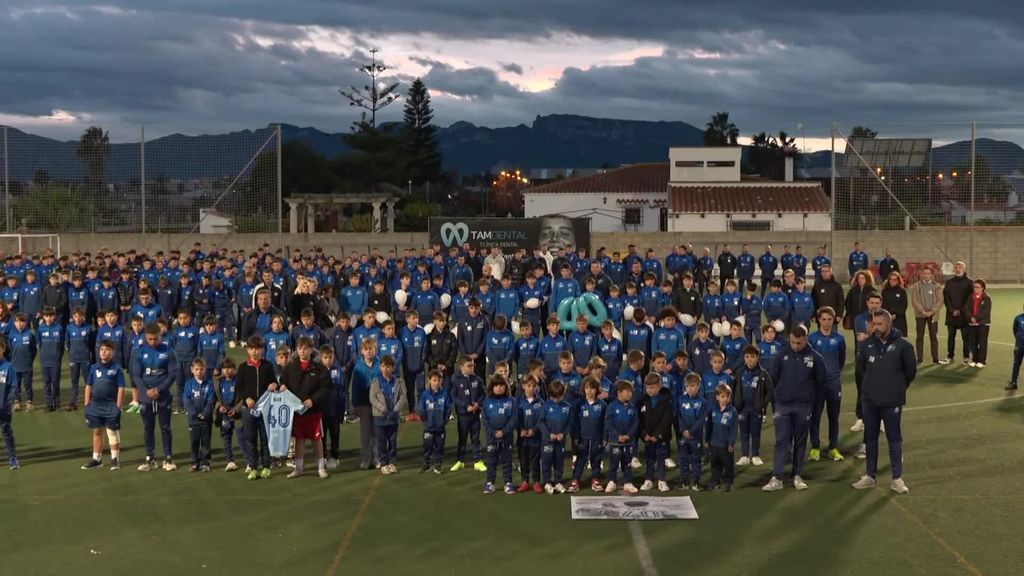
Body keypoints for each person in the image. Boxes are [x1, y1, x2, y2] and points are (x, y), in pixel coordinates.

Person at [852, 310, 916, 494]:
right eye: (874, 324)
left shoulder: (903, 346)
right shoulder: (866, 345)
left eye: (880, 324)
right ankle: (870, 476)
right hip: (870, 400)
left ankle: (897, 478)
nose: (876, 327)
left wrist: (896, 387)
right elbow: (861, 368)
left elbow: (910, 372)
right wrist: (869, 387)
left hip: (891, 401)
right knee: (870, 438)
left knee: (894, 439)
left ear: (889, 324)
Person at [762, 325, 826, 492]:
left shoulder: (816, 358)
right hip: (783, 405)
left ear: (805, 340)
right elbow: (772, 380)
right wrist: (773, 402)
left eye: (799, 342)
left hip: (804, 406)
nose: (795, 345)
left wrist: (815, 407)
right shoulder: (781, 355)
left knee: (800, 442)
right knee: (782, 441)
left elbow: (821, 385)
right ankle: (777, 477)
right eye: (792, 342)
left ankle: (797, 475)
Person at [131, 323, 179, 472]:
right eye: (150, 339)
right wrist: (145, 391)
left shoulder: (169, 351)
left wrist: (159, 389)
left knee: (165, 428)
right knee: (148, 428)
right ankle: (150, 459)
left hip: (163, 396)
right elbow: (136, 375)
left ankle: (168, 458)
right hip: (146, 398)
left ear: (161, 336)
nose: (153, 342)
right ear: (146, 337)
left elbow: (172, 374)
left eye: (155, 339)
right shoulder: (139, 352)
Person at [281, 337, 331, 479]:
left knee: (317, 439)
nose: (303, 351)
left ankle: (321, 467)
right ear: (297, 349)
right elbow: (284, 381)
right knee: (299, 439)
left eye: (306, 348)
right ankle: (299, 468)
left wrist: (313, 400)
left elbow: (326, 388)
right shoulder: (291, 366)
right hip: (296, 411)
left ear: (311, 349)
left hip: (313, 410)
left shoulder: (319, 367)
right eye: (300, 348)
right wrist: (282, 385)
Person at [808, 307, 847, 462]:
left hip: (833, 383)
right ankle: (815, 447)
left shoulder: (839, 339)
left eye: (829, 319)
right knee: (815, 416)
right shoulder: (812, 339)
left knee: (834, 416)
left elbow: (841, 359)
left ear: (833, 320)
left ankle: (833, 447)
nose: (826, 322)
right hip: (817, 385)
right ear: (818, 320)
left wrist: (834, 373)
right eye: (823, 319)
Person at [236, 336, 276, 480]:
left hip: (265, 409)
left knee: (266, 439)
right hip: (248, 410)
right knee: (250, 439)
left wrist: (274, 385)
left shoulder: (268, 366)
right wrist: (246, 398)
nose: (255, 352)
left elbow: (273, 382)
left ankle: (266, 466)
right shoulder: (242, 367)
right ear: (248, 350)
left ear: (262, 350)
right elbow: (238, 388)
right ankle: (253, 467)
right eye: (252, 349)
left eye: (257, 349)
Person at [81, 339, 125, 470]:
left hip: (111, 405)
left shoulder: (117, 369)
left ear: (113, 353)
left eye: (107, 350)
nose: (104, 352)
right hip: (95, 405)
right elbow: (88, 386)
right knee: (97, 431)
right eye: (101, 349)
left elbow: (121, 388)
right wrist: (86, 404)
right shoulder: (94, 368)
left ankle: (114, 459)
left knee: (112, 431)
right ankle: (97, 459)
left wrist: (119, 406)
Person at [733, 345, 770, 468]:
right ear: (744, 358)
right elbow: (734, 390)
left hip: (756, 409)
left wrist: (762, 404)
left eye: (752, 357)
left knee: (755, 433)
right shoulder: (739, 373)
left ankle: (755, 455)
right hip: (743, 409)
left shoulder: (763, 373)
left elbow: (770, 391)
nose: (750, 359)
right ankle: (744, 455)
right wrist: (736, 404)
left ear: (757, 357)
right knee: (744, 433)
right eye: (747, 357)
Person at [370, 354, 407, 476]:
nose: (386, 369)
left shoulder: (397, 382)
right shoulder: (376, 382)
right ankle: (383, 463)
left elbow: (402, 396)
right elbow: (372, 398)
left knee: (392, 441)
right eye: (384, 366)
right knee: (381, 441)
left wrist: (396, 410)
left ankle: (391, 462)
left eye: (389, 366)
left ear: (393, 368)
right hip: (380, 417)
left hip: (393, 417)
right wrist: (383, 409)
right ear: (380, 367)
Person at [569, 377, 606, 493]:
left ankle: (595, 479)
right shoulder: (579, 404)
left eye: (592, 388)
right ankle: (575, 480)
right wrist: (575, 437)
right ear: (583, 389)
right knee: (580, 460)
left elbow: (605, 423)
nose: (589, 391)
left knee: (596, 460)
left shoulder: (602, 405)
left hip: (597, 438)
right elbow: (575, 422)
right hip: (582, 438)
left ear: (597, 389)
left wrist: (604, 437)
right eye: (587, 388)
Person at [482, 374, 517, 494]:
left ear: (506, 387)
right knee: (491, 460)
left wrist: (504, 431)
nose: (499, 388)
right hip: (492, 437)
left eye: (502, 385)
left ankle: (508, 483)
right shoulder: (486, 402)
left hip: (507, 436)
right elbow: (485, 421)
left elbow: (513, 419)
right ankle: (490, 483)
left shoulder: (511, 401)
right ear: (491, 387)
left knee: (507, 459)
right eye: (496, 385)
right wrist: (493, 432)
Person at [450, 356, 486, 472]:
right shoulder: (456, 380)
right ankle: (460, 461)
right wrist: (466, 406)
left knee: (476, 439)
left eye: (473, 365)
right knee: (462, 439)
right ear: (461, 367)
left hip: (475, 415)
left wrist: (477, 404)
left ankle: (478, 461)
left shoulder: (477, 379)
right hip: (463, 416)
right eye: (469, 366)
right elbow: (453, 396)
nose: (472, 368)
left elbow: (483, 394)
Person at [675, 373, 709, 490]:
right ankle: (684, 481)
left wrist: (691, 431)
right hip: (683, 436)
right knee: (683, 459)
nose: (690, 389)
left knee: (696, 459)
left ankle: (696, 482)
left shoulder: (703, 402)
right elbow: (679, 416)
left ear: (699, 386)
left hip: (696, 436)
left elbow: (701, 420)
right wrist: (683, 430)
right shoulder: (680, 399)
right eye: (688, 386)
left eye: (693, 386)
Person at [639, 373, 672, 492]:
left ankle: (662, 480)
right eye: (647, 387)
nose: (650, 390)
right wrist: (644, 434)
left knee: (661, 458)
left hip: (661, 437)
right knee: (649, 458)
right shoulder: (643, 400)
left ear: (659, 386)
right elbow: (640, 420)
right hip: (648, 437)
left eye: (652, 387)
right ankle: (648, 479)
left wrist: (658, 435)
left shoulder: (666, 400)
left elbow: (667, 419)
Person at [351, 338, 381, 470]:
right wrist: (355, 404)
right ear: (362, 351)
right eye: (366, 349)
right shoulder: (358, 366)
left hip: (377, 404)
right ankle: (365, 459)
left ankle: (377, 458)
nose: (369, 352)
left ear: (376, 350)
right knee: (365, 434)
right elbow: (355, 387)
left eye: (371, 349)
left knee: (377, 433)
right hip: (363, 404)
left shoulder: (380, 364)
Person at [539, 379, 572, 494]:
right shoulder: (545, 406)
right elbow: (541, 422)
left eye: (559, 397)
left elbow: (569, 424)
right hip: (547, 441)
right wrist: (549, 434)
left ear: (563, 394)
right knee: (547, 461)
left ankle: (558, 481)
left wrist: (563, 434)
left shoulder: (567, 407)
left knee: (559, 461)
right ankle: (547, 482)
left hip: (560, 440)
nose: (556, 400)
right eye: (554, 397)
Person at [183, 358, 216, 472]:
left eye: (201, 369)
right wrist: (195, 413)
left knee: (206, 442)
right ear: (192, 370)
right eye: (196, 369)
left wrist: (205, 413)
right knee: (194, 442)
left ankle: (206, 463)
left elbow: (211, 400)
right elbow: (186, 401)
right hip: (193, 420)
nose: (199, 372)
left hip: (206, 419)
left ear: (205, 370)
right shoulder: (189, 385)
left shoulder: (210, 384)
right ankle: (194, 463)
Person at [417, 370, 451, 474]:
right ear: (429, 381)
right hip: (428, 427)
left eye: (438, 380)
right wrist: (426, 422)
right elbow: (421, 410)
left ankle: (438, 465)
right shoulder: (425, 395)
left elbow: (448, 409)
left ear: (441, 381)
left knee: (439, 447)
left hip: (440, 428)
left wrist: (443, 421)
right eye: (434, 380)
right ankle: (426, 464)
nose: (436, 383)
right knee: (427, 446)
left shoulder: (445, 394)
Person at [516, 374, 544, 492]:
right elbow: (515, 418)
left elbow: (542, 419)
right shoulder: (518, 402)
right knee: (523, 459)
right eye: (529, 385)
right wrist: (520, 429)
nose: (531, 388)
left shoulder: (541, 402)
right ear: (523, 386)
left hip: (535, 437)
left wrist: (535, 430)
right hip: (522, 438)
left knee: (535, 460)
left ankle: (536, 481)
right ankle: (525, 481)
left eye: (534, 386)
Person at [940, 261, 972, 365]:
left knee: (965, 338)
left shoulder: (970, 282)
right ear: (954, 269)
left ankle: (966, 358)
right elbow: (946, 298)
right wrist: (952, 310)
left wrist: (961, 310)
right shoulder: (949, 283)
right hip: (951, 315)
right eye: (957, 267)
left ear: (964, 269)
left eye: (960, 267)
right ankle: (950, 357)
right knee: (950, 337)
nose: (958, 269)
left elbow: (969, 299)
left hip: (964, 315)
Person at [707, 383, 738, 492]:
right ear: (717, 397)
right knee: (715, 464)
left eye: (727, 396)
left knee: (728, 465)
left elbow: (734, 429)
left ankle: (728, 482)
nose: (725, 399)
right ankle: (715, 481)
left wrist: (731, 443)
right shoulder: (713, 410)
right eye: (723, 396)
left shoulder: (732, 412)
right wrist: (707, 440)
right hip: (714, 444)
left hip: (725, 445)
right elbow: (709, 426)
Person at [910, 267, 943, 365]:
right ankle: (919, 358)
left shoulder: (937, 286)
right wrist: (923, 311)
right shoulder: (916, 286)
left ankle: (935, 358)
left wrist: (932, 311)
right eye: (924, 273)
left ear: (931, 275)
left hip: (933, 316)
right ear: (921, 274)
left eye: (928, 273)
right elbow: (914, 300)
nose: (926, 275)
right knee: (920, 337)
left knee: (933, 337)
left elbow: (940, 300)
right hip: (920, 315)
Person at [215, 357, 239, 472]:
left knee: (242, 437)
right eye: (224, 368)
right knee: (226, 437)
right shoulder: (219, 382)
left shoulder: (239, 380)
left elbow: (243, 397)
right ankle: (230, 461)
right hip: (225, 413)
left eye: (230, 368)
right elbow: (215, 398)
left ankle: (250, 462)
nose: (227, 371)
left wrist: (237, 409)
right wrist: (220, 407)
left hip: (237, 414)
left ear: (234, 369)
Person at [965, 279, 991, 368]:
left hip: (983, 324)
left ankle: (982, 361)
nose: (975, 289)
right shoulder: (970, 297)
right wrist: (971, 318)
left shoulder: (987, 298)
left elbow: (986, 312)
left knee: (982, 342)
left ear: (982, 288)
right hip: (972, 324)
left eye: (977, 287)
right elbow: (967, 309)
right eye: (974, 287)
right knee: (973, 343)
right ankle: (974, 359)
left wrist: (976, 318)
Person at [0, 336, 17, 470]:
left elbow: (14, 386)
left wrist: (9, 402)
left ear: (3, 349)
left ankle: (13, 458)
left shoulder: (8, 367)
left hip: (3, 408)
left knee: (7, 433)